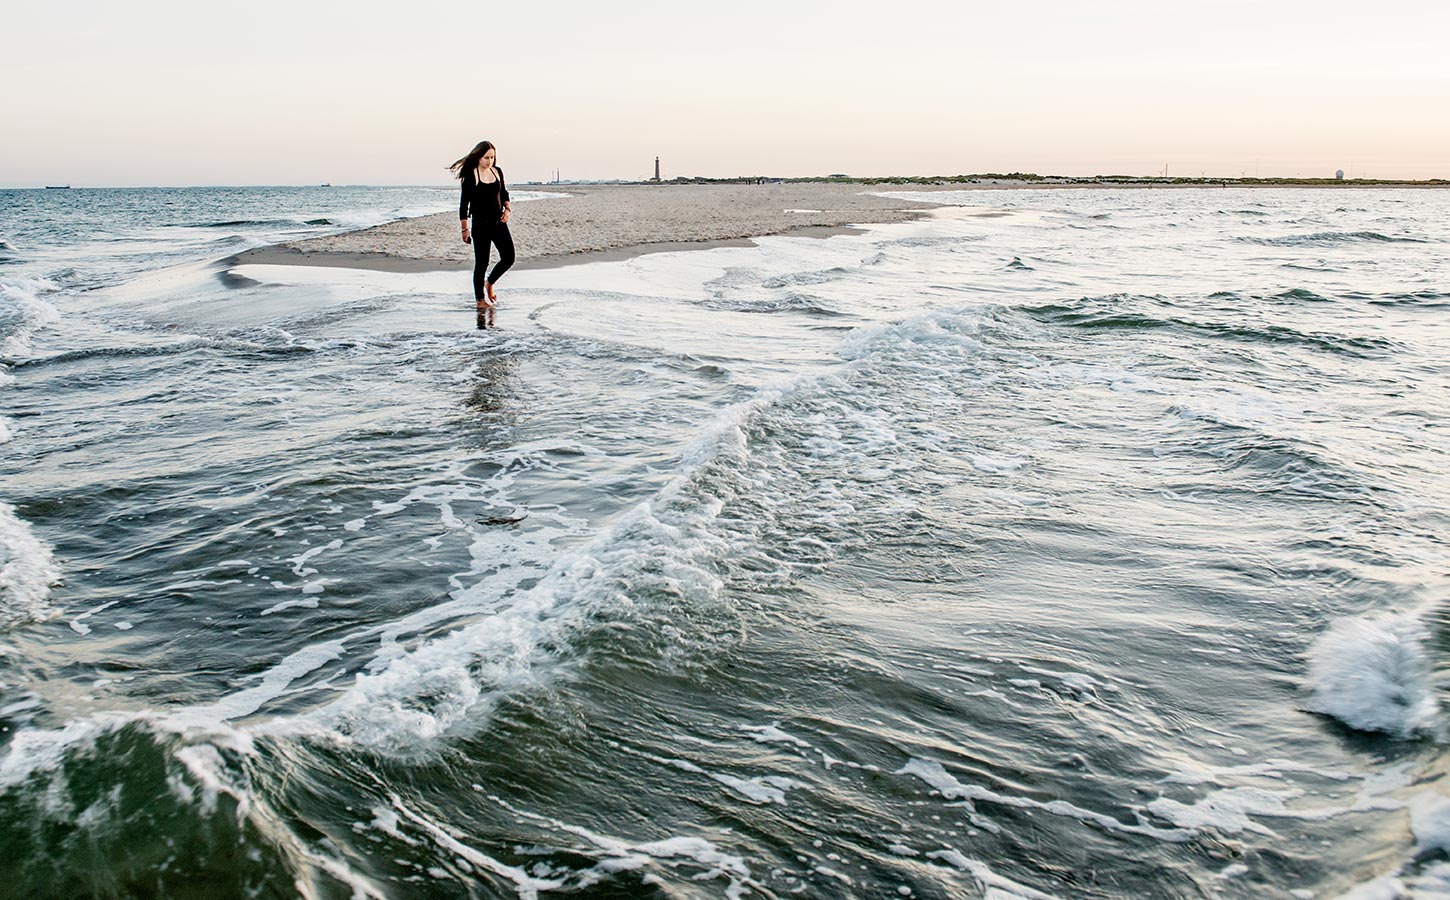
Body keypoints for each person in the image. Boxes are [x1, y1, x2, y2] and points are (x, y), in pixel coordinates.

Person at [449, 141, 514, 327]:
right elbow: (463, 206)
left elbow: (504, 194)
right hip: (480, 225)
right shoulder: (471, 176)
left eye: (492, 157)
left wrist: (507, 210)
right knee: (482, 263)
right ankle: (479, 300)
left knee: (509, 257)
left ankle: (490, 283)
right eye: (486, 157)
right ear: (478, 156)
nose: (490, 161)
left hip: (498, 222)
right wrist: (464, 229)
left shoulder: (497, 172)